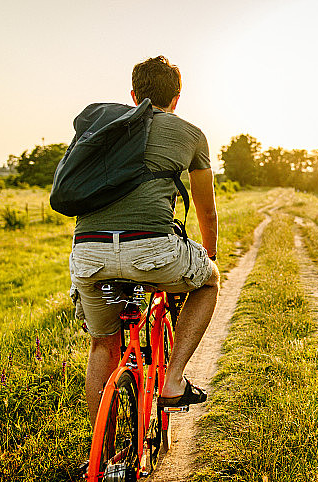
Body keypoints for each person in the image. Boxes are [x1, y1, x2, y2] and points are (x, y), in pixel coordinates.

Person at [68, 56, 219, 425]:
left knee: (103, 344)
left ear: (134, 95)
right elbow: (207, 213)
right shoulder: (192, 134)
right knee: (210, 281)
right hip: (152, 251)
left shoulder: (104, 129)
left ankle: (105, 450)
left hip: (88, 254)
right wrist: (208, 257)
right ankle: (173, 381)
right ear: (178, 97)